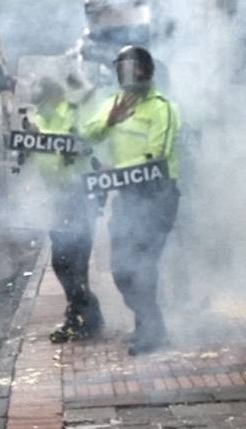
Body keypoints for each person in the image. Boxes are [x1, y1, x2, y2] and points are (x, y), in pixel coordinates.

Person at [81, 45, 179, 356]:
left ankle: (151, 330)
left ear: (146, 70)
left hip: (157, 196)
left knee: (143, 265)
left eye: (134, 68)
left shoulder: (162, 107)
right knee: (122, 269)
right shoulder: (114, 102)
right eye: (123, 69)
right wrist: (108, 121)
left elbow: (156, 155)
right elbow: (87, 135)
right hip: (126, 197)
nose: (129, 74)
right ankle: (149, 323)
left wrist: (116, 170)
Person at [26, 78, 105, 344]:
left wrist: (45, 138)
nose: (40, 107)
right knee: (60, 262)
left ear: (54, 97)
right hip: (57, 199)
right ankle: (82, 312)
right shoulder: (39, 119)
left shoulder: (73, 114)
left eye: (42, 102)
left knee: (77, 263)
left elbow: (86, 141)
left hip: (80, 197)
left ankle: (86, 318)